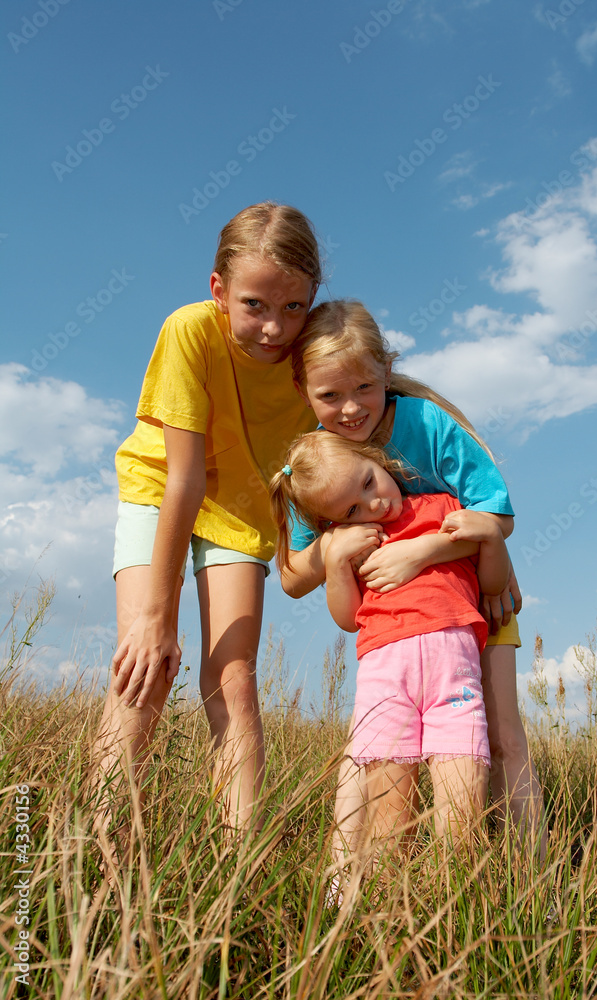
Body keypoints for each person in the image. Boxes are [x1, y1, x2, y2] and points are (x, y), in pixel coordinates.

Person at [281, 300, 547, 870]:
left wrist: (422, 549)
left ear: (386, 370)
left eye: (364, 388)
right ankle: (344, 879)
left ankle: (533, 880)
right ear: (304, 390)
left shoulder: (427, 425)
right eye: (330, 396)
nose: (351, 409)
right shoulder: (324, 459)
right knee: (370, 750)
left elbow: (497, 517)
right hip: (399, 631)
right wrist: (331, 549)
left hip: (477, 598)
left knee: (501, 735)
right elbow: (290, 575)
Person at [93, 202, 321, 852]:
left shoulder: (311, 354)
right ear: (217, 289)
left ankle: (238, 864)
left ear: (312, 298)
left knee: (234, 679)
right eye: (254, 305)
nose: (274, 329)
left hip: (240, 513)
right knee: (146, 663)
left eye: (294, 308)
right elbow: (185, 480)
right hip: (161, 487)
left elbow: (369, 395)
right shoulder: (190, 330)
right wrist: (155, 618)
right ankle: (102, 846)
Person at [270, 431, 510, 855]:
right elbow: (348, 619)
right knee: (389, 824)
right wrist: (338, 563)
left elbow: (491, 583)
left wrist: (490, 537)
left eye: (368, 483)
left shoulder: (445, 508)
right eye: (351, 509)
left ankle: (456, 904)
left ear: (374, 457)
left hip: (453, 681)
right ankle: (387, 911)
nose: (374, 505)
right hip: (385, 683)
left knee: (463, 815)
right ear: (332, 521)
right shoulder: (355, 539)